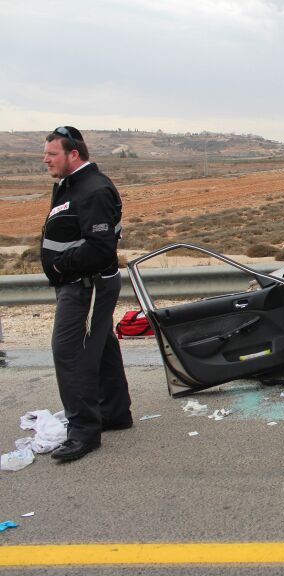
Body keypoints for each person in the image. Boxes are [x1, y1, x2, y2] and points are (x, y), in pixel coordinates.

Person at [41, 126, 132, 462]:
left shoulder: (93, 190)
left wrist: (61, 267)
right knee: (101, 344)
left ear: (73, 154)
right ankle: (116, 413)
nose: (45, 159)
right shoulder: (72, 186)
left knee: (70, 352)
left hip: (86, 284)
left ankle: (82, 432)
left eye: (52, 154)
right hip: (80, 283)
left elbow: (100, 247)